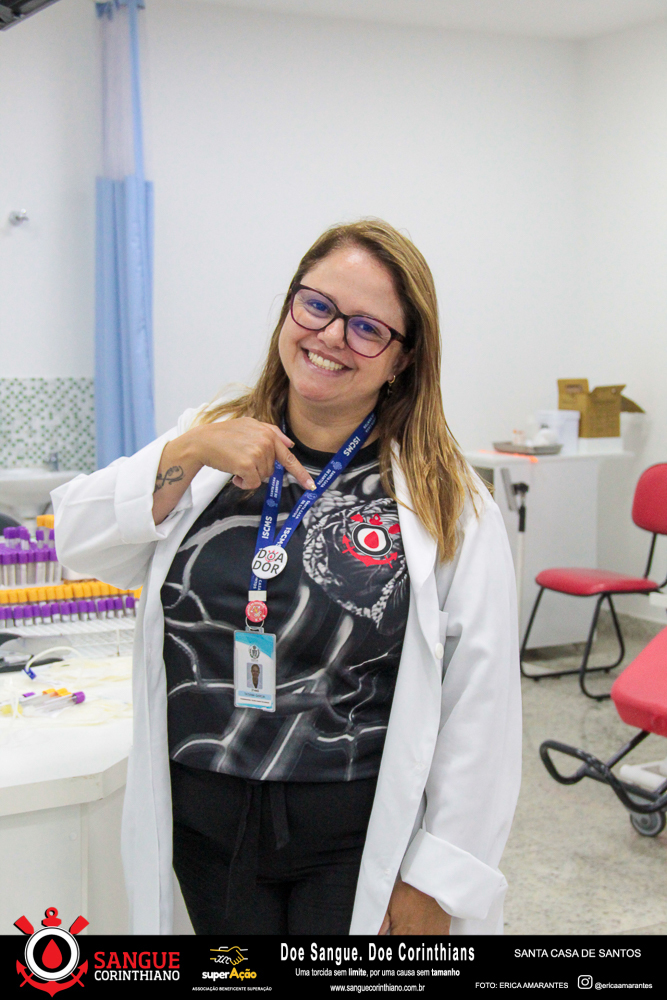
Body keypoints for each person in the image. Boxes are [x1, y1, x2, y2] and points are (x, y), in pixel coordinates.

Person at [52, 218, 521, 936]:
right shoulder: (211, 443)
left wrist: (439, 881)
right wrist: (190, 448)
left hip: (350, 838)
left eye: (367, 328)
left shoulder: (447, 498)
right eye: (317, 305)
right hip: (202, 828)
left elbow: (481, 703)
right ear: (289, 307)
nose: (330, 336)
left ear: (402, 359)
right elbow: (79, 541)